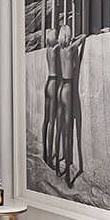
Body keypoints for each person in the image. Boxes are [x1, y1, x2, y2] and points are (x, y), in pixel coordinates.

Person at [55, 20, 88, 186]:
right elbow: (84, 36)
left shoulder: (60, 49)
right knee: (72, 131)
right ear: (68, 35)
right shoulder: (71, 48)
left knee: (62, 129)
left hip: (60, 88)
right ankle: (68, 174)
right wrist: (75, 37)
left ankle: (59, 168)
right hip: (69, 90)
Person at [40, 27, 60, 172]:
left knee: (46, 120)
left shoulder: (48, 49)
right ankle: (50, 159)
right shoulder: (55, 49)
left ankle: (44, 152)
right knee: (52, 121)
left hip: (47, 83)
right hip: (54, 84)